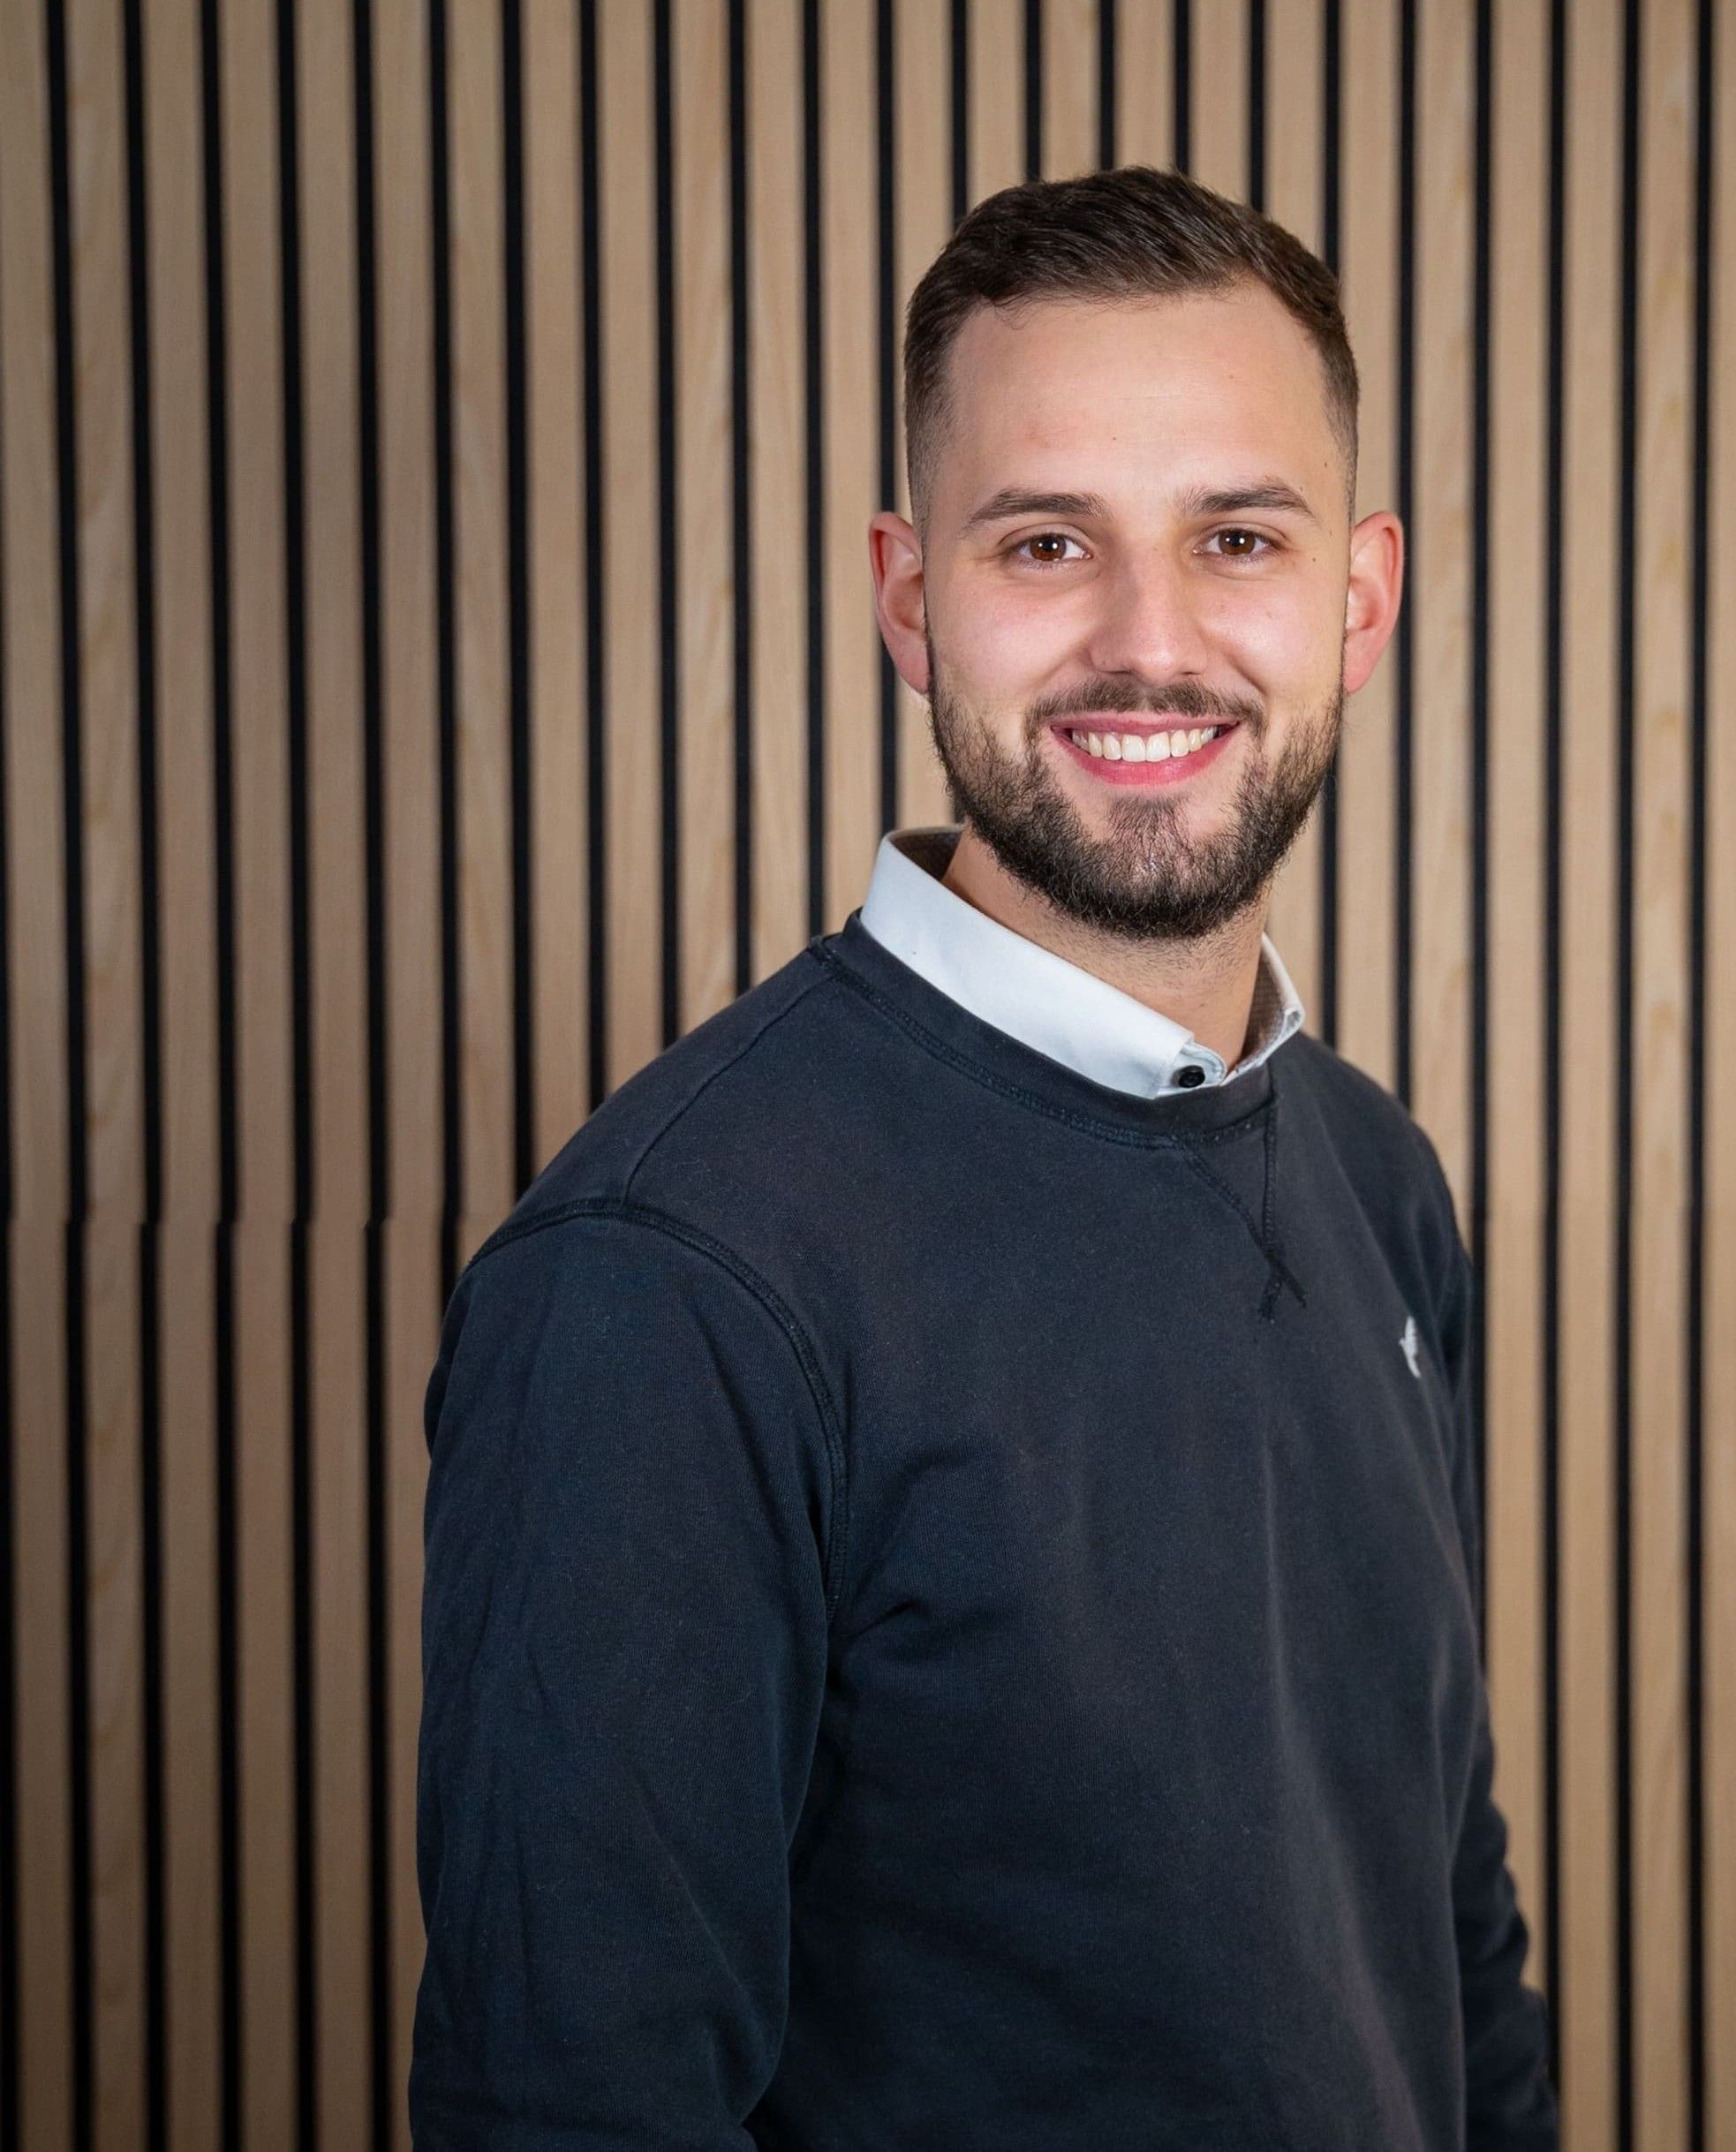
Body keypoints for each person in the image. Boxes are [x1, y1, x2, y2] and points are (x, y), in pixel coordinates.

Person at [409, 162, 1558, 2150]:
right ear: (908, 596)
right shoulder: (665, 1279)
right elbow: (570, 2108)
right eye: (1044, 541)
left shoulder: (1377, 1178)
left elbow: (1444, 1929)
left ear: (1358, 599)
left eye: (1236, 537)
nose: (1148, 640)